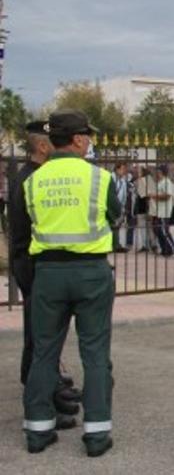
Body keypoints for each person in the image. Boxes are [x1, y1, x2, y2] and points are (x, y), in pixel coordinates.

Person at [20, 109, 120, 456]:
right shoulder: (100, 178)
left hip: (48, 272)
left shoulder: (33, 180)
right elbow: (115, 216)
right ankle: (96, 435)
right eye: (88, 136)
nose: (90, 142)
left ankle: (38, 431)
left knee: (44, 352)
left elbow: (32, 218)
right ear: (78, 139)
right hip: (91, 271)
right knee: (94, 353)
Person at [9, 120, 81, 433]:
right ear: (42, 146)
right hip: (33, 265)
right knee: (39, 338)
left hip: (35, 264)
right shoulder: (31, 178)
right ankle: (40, 399)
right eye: (54, 140)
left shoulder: (34, 176)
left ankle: (51, 388)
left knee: (45, 335)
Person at [151, 165, 174, 257]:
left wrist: (155, 196)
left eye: (158, 172)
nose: (157, 174)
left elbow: (167, 195)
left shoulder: (167, 182)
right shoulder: (160, 182)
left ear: (161, 172)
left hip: (164, 211)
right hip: (159, 211)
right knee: (158, 230)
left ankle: (173, 249)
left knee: (163, 231)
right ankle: (165, 250)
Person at [134, 165, 156, 252]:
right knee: (144, 227)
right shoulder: (147, 180)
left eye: (139, 171)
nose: (137, 173)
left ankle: (151, 244)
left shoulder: (144, 180)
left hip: (145, 206)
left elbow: (147, 195)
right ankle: (148, 244)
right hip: (142, 206)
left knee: (148, 227)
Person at [111, 163, 132, 252]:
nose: (124, 171)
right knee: (112, 225)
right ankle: (113, 245)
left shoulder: (123, 180)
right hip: (112, 204)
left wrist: (123, 207)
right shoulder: (111, 178)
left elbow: (124, 195)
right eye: (122, 169)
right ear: (117, 169)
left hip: (120, 205)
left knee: (117, 225)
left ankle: (116, 244)